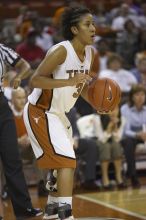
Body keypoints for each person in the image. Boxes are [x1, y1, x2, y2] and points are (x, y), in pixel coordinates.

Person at [23, 6, 96, 220]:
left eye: (93, 24)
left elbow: (80, 87)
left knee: (60, 164)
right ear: (74, 29)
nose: (93, 28)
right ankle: (66, 214)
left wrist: (96, 103)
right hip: (41, 111)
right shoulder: (61, 50)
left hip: (58, 114)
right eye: (87, 24)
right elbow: (35, 80)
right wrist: (69, 81)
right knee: (67, 161)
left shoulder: (89, 52)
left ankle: (53, 212)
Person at [0, 43, 43, 219]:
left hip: (1, 106)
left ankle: (24, 208)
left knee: (13, 160)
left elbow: (24, 65)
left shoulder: (1, 49)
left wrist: (19, 77)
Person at [121, 85, 146, 188]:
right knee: (129, 142)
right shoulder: (125, 109)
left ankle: (129, 174)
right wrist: (137, 134)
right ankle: (133, 176)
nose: (140, 97)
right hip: (129, 136)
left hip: (143, 136)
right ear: (132, 97)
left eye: (142, 94)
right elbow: (125, 130)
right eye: (137, 94)